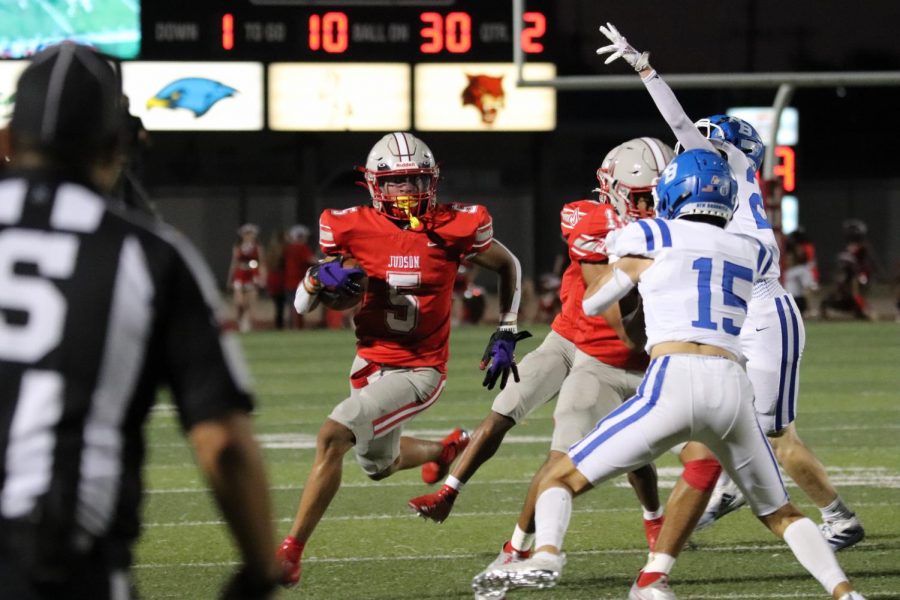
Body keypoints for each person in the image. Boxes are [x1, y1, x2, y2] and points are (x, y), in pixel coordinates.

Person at [473, 149, 866, 600]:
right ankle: (844, 593)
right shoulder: (753, 248)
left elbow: (594, 304)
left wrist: (626, 266)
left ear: (672, 191)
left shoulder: (648, 233)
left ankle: (545, 554)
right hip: (733, 389)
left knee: (559, 477)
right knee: (782, 514)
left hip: (673, 380)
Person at [0, 42, 279, 600]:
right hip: (56, 560)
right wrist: (258, 570)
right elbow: (223, 444)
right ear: (116, 145)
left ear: (8, 140)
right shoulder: (148, 256)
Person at [597, 22, 865, 557]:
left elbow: (676, 121)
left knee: (773, 434)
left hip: (763, 315)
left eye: (706, 139)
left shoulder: (727, 167)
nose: (691, 146)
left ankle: (837, 517)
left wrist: (645, 69)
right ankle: (723, 490)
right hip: (735, 318)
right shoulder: (729, 183)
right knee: (721, 420)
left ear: (729, 149)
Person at [275, 131, 528, 589]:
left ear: (431, 181)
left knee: (334, 435)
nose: (406, 192)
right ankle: (445, 449)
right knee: (378, 466)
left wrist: (506, 327)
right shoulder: (347, 226)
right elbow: (302, 307)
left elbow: (509, 264)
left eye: (415, 181)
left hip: (418, 370)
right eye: (396, 183)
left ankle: (290, 551)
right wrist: (314, 283)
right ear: (374, 185)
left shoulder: (456, 225)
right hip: (369, 362)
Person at [408, 139, 673, 573]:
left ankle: (636, 523)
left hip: (612, 359)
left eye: (660, 197)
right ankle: (451, 491)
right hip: (567, 338)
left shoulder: (677, 233)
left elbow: (628, 334)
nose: (651, 207)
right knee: (505, 406)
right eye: (643, 196)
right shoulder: (591, 219)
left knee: (626, 455)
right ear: (613, 189)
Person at [227, 223, 267, 332]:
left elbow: (262, 262)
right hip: (240, 274)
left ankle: (246, 323)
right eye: (247, 233)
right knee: (239, 302)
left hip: (252, 274)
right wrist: (230, 278)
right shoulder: (238, 246)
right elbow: (234, 262)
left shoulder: (257, 247)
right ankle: (240, 319)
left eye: (251, 233)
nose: (249, 236)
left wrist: (263, 277)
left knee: (250, 300)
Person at [282, 224, 316, 329]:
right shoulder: (302, 248)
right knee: (299, 306)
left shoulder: (288, 248)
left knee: (291, 306)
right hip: (299, 281)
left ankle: (292, 326)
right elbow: (311, 260)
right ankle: (297, 327)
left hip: (288, 280)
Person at [264, 229, 287, 329]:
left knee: (278, 304)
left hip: (273, 278)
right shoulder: (283, 249)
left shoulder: (271, 250)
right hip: (281, 278)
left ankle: (279, 324)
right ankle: (281, 324)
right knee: (281, 303)